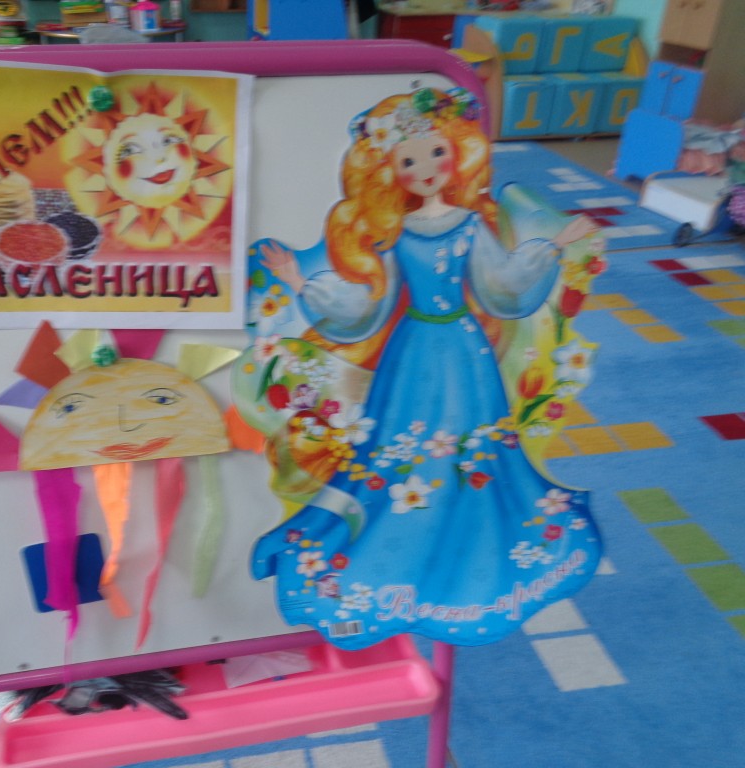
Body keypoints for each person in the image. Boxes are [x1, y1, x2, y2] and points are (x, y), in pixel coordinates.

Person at [242, 88, 604, 649]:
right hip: (411, 355)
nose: (427, 168)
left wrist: (555, 243)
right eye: (409, 160)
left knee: (470, 449)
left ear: (456, 156)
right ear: (392, 173)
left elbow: (503, 281)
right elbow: (367, 307)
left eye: (437, 153)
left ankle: (468, 550)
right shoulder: (397, 238)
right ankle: (401, 548)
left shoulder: (468, 225)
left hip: (463, 351)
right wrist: (298, 280)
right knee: (398, 452)